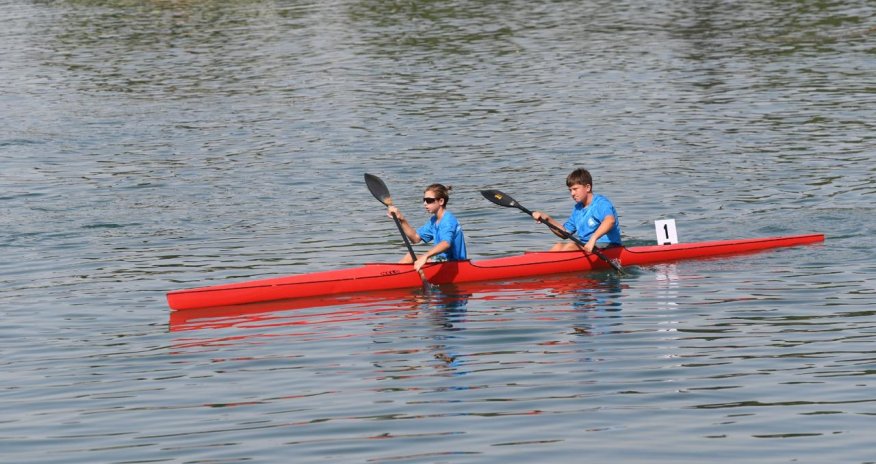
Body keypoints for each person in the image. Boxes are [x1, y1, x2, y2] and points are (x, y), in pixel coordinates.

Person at [531, 168, 622, 253]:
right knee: (558, 246)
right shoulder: (578, 208)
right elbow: (564, 233)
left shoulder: (601, 203)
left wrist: (592, 239)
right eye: (570, 190)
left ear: (587, 187)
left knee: (569, 247)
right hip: (586, 246)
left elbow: (610, 221)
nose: (572, 193)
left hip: (609, 246)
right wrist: (546, 219)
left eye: (575, 189)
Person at [386, 183, 468, 271]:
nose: (425, 203)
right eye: (424, 200)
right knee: (409, 257)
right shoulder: (434, 220)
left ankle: (389, 276)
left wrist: (425, 256)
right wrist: (401, 219)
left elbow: (446, 244)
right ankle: (390, 274)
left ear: (441, 201)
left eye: (429, 200)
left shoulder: (448, 220)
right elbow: (415, 238)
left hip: (455, 263)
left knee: (409, 258)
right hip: (441, 260)